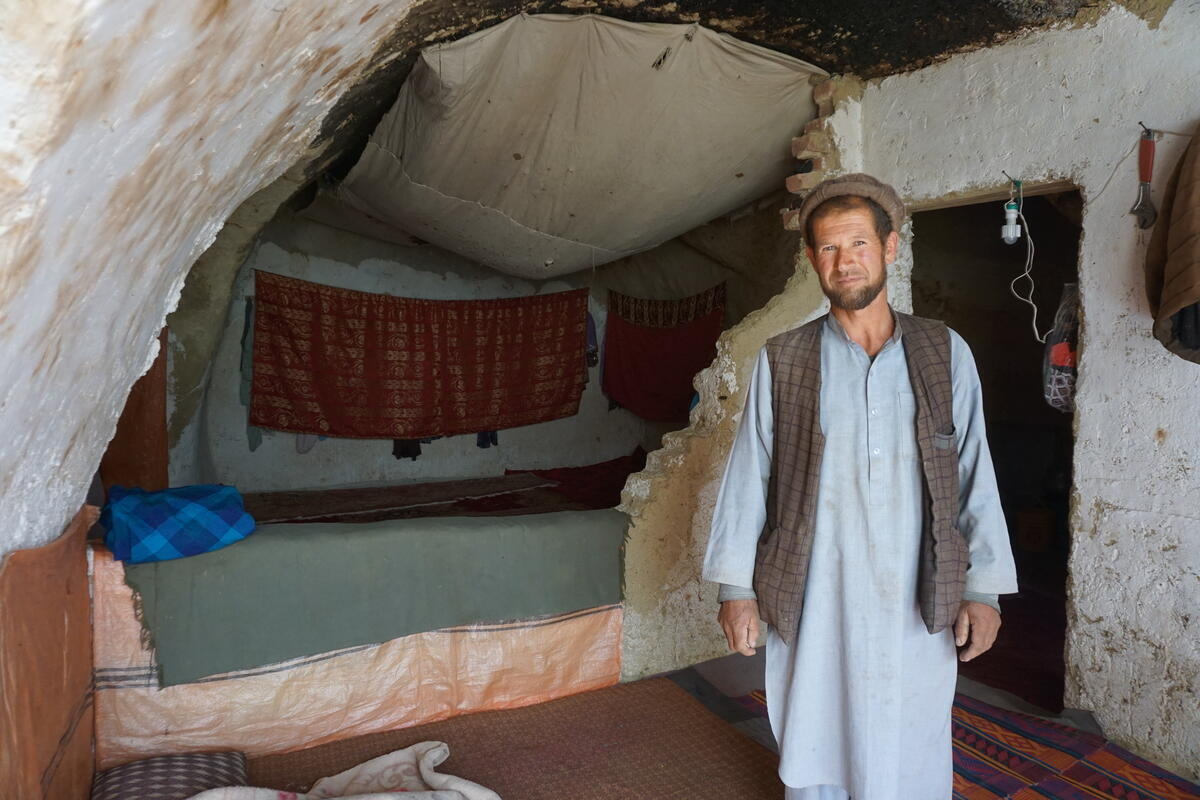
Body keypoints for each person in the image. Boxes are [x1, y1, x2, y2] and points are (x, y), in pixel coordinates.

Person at [702, 174, 1018, 800]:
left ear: (890, 247)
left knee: (912, 735)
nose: (844, 262)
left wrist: (984, 588)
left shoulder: (943, 351)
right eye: (828, 248)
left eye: (858, 244)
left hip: (915, 589)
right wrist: (736, 590)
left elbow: (973, 469)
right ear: (812, 260)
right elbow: (749, 476)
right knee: (816, 727)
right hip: (818, 591)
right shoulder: (783, 358)